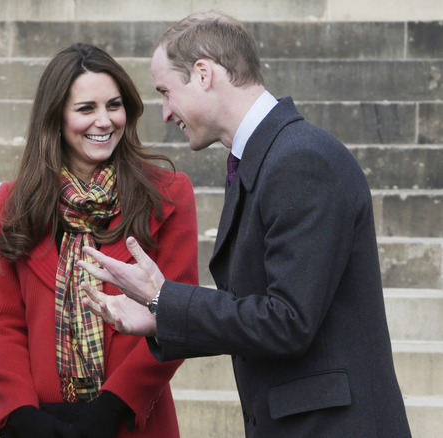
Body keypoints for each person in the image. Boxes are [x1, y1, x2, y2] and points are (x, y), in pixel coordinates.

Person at [77, 11, 412, 438]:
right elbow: (259, 311)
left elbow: (287, 321)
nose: (164, 112)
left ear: (202, 74)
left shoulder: (299, 159)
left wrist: (164, 297)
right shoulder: (270, 155)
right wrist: (159, 316)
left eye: (166, 92)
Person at [0, 43, 199, 437]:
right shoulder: (14, 204)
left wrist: (112, 406)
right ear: (56, 117)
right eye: (86, 109)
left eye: (114, 105)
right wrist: (24, 414)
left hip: (130, 418)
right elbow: (3, 324)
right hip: (39, 424)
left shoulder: (168, 194)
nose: (104, 121)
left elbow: (178, 318)